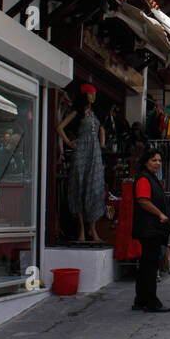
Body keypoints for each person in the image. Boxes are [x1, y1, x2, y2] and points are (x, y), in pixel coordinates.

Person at [57, 83, 106, 243]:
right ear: (85, 95)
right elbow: (60, 127)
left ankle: (92, 229)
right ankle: (82, 231)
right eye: (91, 94)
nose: (93, 97)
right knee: (79, 187)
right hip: (82, 152)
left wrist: (102, 144)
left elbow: (102, 129)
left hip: (94, 153)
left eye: (94, 94)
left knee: (95, 188)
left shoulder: (96, 113)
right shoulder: (78, 112)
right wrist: (69, 143)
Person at [131, 148, 170, 312]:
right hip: (149, 229)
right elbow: (143, 200)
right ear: (146, 161)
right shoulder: (144, 179)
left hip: (152, 228)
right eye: (154, 160)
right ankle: (150, 301)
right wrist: (160, 214)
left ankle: (140, 299)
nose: (157, 163)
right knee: (149, 266)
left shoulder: (152, 178)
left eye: (159, 161)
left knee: (146, 265)